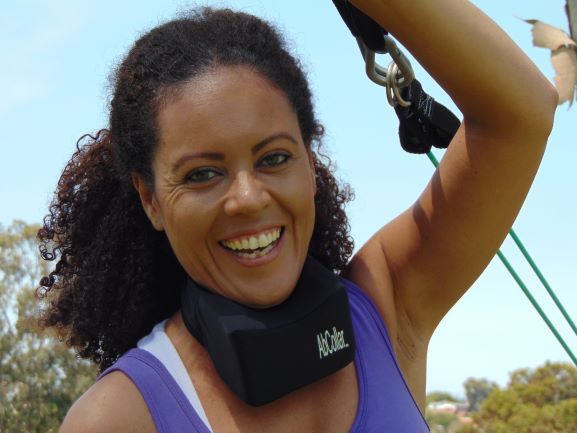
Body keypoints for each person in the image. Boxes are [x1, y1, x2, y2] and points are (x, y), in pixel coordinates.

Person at [37, 1, 557, 432]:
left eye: (274, 158)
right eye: (201, 174)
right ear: (150, 199)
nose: (248, 197)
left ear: (310, 164)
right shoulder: (118, 418)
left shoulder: (387, 304)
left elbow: (522, 112)